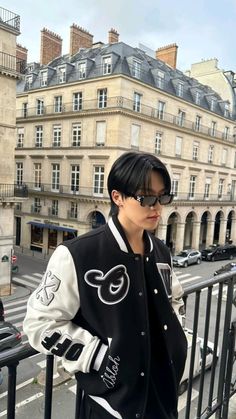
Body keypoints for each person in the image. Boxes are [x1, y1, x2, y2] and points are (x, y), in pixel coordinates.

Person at [23, 151, 187, 419]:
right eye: (145, 196)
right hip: (111, 406)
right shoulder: (77, 254)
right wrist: (100, 358)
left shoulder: (160, 251)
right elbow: (38, 323)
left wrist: (177, 336)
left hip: (163, 395)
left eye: (163, 196)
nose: (156, 207)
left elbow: (175, 297)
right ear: (117, 197)